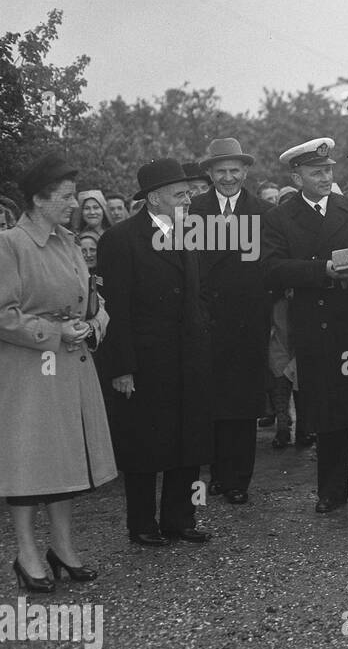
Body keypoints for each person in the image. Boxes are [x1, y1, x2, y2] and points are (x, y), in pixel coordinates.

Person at [262, 137, 348, 514]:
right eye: (316, 172)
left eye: (329, 171)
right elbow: (272, 268)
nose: (326, 177)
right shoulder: (278, 218)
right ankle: (331, 492)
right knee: (328, 412)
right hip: (316, 326)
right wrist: (321, 270)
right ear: (297, 176)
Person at [1, 151, 116, 590]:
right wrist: (54, 333)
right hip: (30, 373)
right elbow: (3, 315)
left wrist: (93, 324)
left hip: (71, 369)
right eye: (66, 197)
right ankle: (27, 554)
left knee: (66, 463)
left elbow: (93, 299)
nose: (74, 204)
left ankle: (64, 549)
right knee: (30, 464)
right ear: (39, 198)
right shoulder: (10, 244)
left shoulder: (68, 241)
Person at [96, 158, 214, 546]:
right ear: (154, 198)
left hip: (189, 358)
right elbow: (118, 309)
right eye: (181, 194)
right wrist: (122, 367)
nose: (189, 200)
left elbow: (194, 296)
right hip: (147, 361)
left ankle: (179, 519)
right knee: (144, 444)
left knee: (188, 438)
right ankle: (142, 524)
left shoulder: (189, 232)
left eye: (189, 193)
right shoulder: (120, 240)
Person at [189, 137, 271, 504]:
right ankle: (218, 474)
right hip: (206, 320)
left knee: (242, 403)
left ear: (245, 171)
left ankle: (239, 479)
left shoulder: (265, 213)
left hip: (248, 321)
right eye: (220, 171)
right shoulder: (191, 211)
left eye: (234, 170)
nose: (227, 177)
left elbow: (268, 268)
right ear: (209, 173)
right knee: (210, 400)